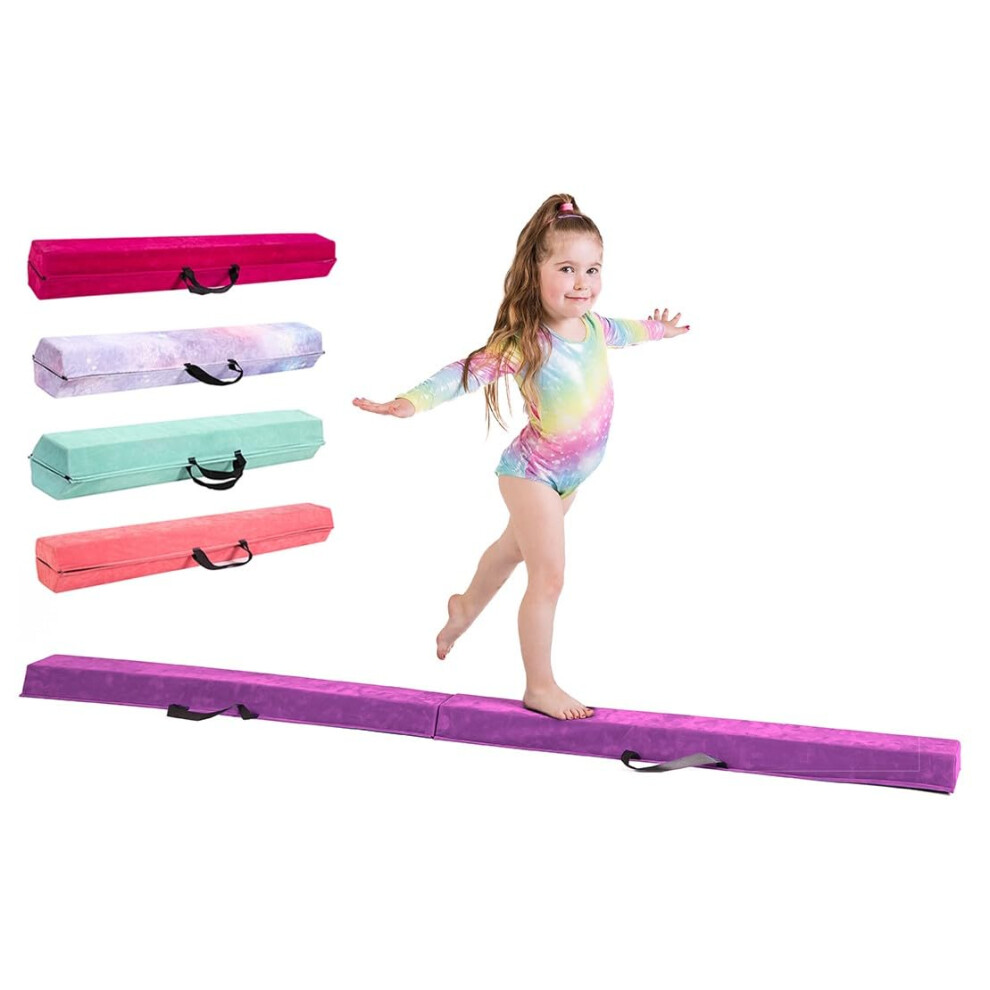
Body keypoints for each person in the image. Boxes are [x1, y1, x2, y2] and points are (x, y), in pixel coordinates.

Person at [354, 194, 689, 720]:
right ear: (535, 272)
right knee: (549, 577)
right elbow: (463, 373)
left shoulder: (596, 327)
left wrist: (660, 329)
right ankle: (540, 686)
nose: (582, 282)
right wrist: (411, 402)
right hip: (533, 474)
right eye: (566, 269)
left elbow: (631, 332)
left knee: (511, 550)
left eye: (592, 269)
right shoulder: (527, 343)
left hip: (569, 480)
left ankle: (464, 608)